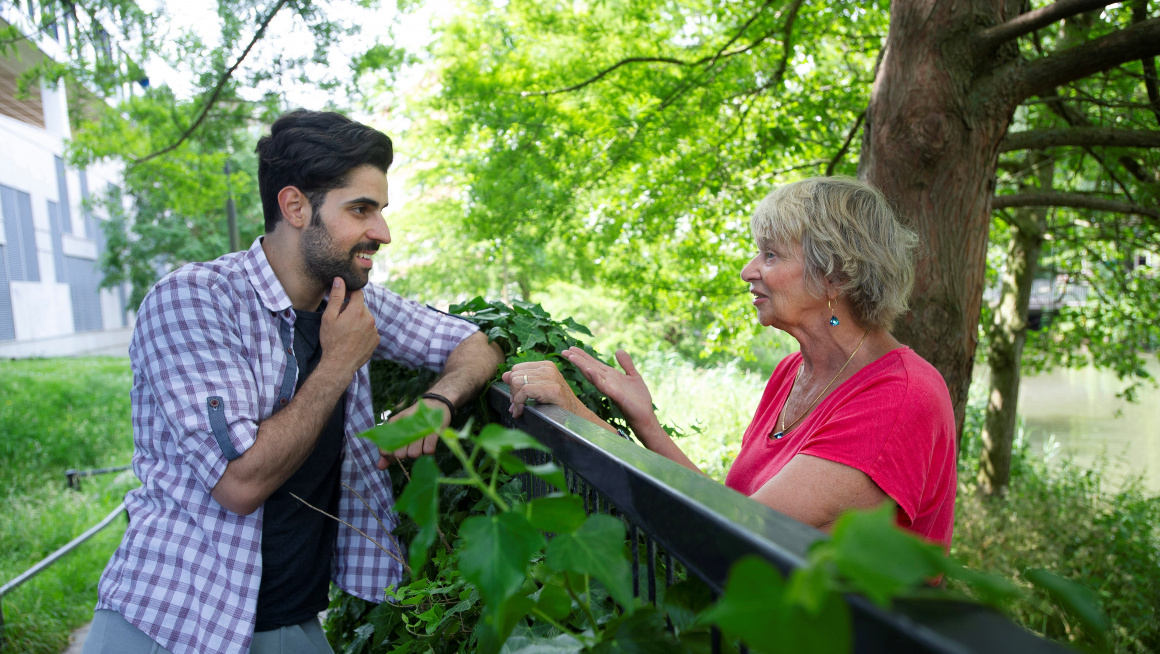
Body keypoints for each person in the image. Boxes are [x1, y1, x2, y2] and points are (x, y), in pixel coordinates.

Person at [84, 110, 504, 654]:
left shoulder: (352, 301)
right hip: (170, 622)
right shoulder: (195, 299)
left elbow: (478, 343)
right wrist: (337, 366)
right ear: (296, 206)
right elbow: (239, 483)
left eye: (380, 211)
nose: (383, 233)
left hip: (290, 625)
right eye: (361, 209)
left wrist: (438, 403)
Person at [504, 176, 956, 547]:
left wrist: (578, 417)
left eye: (771, 254)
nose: (748, 270)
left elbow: (733, 534)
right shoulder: (792, 373)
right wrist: (647, 424)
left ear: (834, 274)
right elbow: (730, 507)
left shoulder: (899, 397)